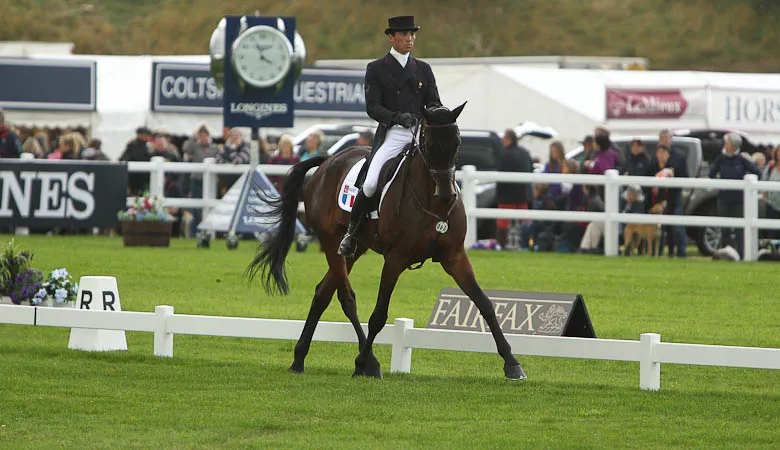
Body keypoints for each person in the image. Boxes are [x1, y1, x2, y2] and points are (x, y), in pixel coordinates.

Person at [338, 15, 442, 257]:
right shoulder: (376, 68)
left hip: (420, 135)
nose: (410, 39)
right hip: (393, 134)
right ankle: (352, 233)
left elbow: (434, 102)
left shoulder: (423, 69)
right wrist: (397, 117)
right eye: (404, 35)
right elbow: (372, 107)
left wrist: (437, 115)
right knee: (372, 182)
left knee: (445, 180)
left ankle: (443, 229)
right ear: (391, 37)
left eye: (412, 34)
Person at [708, 132, 762, 259]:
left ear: (732, 146)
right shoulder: (721, 158)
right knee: (725, 229)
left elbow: (757, 172)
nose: (725, 145)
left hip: (739, 199)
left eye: (727, 143)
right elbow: (712, 173)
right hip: (724, 199)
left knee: (739, 229)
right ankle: (725, 254)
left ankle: (741, 254)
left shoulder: (742, 160)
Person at [495, 129, 533, 248]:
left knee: (503, 223)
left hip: (507, 196)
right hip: (523, 194)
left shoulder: (504, 154)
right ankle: (526, 244)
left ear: (508, 139)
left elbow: (500, 173)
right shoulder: (525, 153)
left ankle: (502, 245)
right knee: (524, 221)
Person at [182, 124, 220, 237]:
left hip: (211, 182)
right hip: (196, 180)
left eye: (205, 136)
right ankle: (194, 233)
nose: (203, 139)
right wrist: (194, 137)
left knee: (210, 208)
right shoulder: (194, 147)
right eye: (201, 136)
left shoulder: (215, 148)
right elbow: (185, 149)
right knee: (196, 208)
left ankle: (209, 232)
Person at [215, 127, 251, 197]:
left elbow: (237, 161)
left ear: (241, 136)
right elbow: (217, 159)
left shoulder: (246, 147)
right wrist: (227, 163)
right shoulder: (226, 147)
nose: (234, 138)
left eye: (237, 136)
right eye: (232, 136)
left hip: (242, 182)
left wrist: (233, 149)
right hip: (227, 182)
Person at [119, 126, 153, 195]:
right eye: (146, 135)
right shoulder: (134, 146)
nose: (148, 137)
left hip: (142, 178)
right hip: (135, 179)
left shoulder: (145, 146)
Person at [764, 145, 780, 239]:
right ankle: (771, 253)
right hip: (772, 205)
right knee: (771, 234)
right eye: (778, 151)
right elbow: (763, 182)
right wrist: (765, 196)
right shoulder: (770, 167)